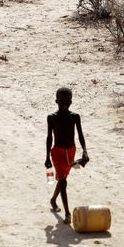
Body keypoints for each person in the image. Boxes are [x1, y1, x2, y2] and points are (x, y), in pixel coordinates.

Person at [45, 87, 89, 225]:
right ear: (56, 101)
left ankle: (53, 200)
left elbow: (80, 135)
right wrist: (47, 157)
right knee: (63, 181)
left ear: (71, 102)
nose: (64, 104)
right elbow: (49, 137)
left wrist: (85, 151)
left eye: (67, 101)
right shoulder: (52, 118)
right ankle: (67, 213)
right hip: (57, 152)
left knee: (62, 179)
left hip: (71, 151)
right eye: (61, 101)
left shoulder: (75, 117)